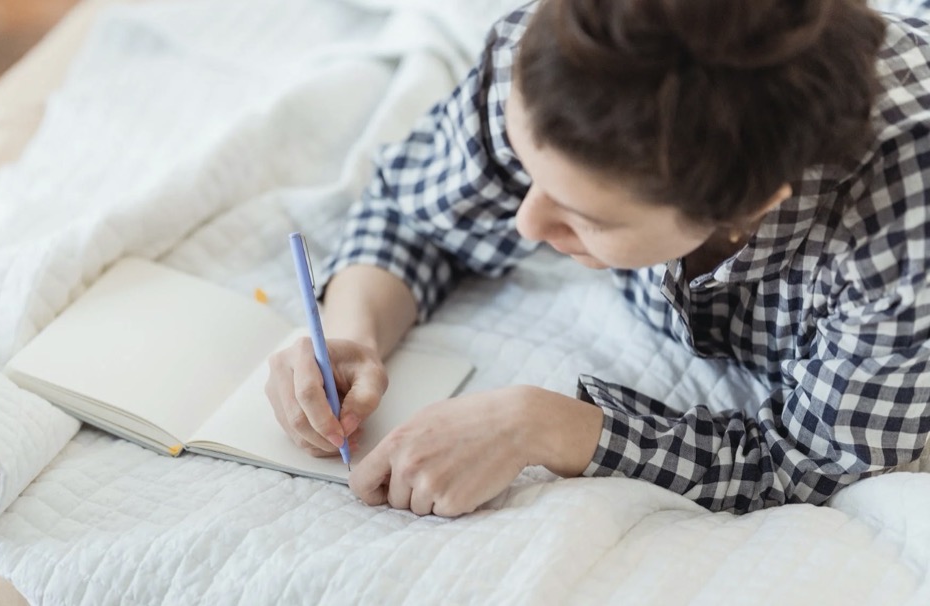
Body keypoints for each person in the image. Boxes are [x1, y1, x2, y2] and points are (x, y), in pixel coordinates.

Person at [264, 0, 930, 517]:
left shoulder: (902, 233)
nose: (526, 222)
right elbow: (416, 213)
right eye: (526, 171)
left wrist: (548, 426)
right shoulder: (556, 59)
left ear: (745, 204)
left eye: (587, 216)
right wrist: (352, 329)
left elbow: (808, 465)